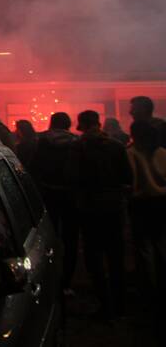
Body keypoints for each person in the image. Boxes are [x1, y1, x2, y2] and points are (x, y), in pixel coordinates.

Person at [69, 109, 132, 319]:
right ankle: (120, 304)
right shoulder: (116, 146)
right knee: (116, 255)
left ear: (82, 125)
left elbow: (72, 176)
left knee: (94, 255)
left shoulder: (78, 147)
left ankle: (104, 303)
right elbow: (127, 177)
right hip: (113, 206)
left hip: (89, 207)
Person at [33, 112, 79, 293]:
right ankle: (66, 280)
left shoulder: (42, 141)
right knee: (71, 238)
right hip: (71, 195)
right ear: (68, 124)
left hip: (48, 193)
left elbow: (34, 166)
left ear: (52, 123)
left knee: (48, 236)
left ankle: (48, 276)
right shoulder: (76, 142)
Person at [126, 118, 166, 310]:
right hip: (162, 202)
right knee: (160, 243)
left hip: (141, 203)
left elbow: (131, 180)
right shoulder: (162, 152)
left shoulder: (131, 153)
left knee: (144, 247)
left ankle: (149, 288)